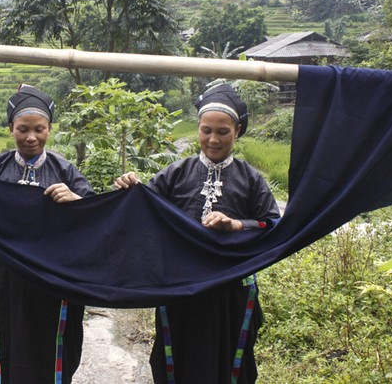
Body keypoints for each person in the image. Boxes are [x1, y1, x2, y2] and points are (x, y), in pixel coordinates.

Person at [114, 83, 280, 384]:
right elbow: (145, 213)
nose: (213, 140)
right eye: (206, 131)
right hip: (181, 287)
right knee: (179, 356)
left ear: (238, 131)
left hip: (231, 289)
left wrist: (236, 225)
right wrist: (131, 191)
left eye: (222, 132)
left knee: (229, 358)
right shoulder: (175, 173)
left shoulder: (251, 179)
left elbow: (272, 226)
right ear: (198, 129)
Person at [0, 84, 94, 383]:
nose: (31, 137)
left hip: (53, 276)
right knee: (7, 339)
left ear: (49, 129)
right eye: (23, 129)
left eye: (39, 129)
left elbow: (94, 214)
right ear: (10, 129)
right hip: (7, 274)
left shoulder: (64, 170)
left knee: (52, 340)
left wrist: (74, 201)